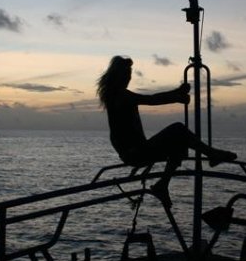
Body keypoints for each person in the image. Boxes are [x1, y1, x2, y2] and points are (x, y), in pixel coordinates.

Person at [97, 56, 237, 205]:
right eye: (126, 74)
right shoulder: (121, 96)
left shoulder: (115, 96)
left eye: (129, 74)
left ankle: (163, 185)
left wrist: (177, 93)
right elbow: (151, 99)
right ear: (118, 75)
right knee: (178, 129)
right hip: (136, 153)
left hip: (136, 152)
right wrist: (177, 96)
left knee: (179, 142)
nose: (128, 78)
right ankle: (212, 154)